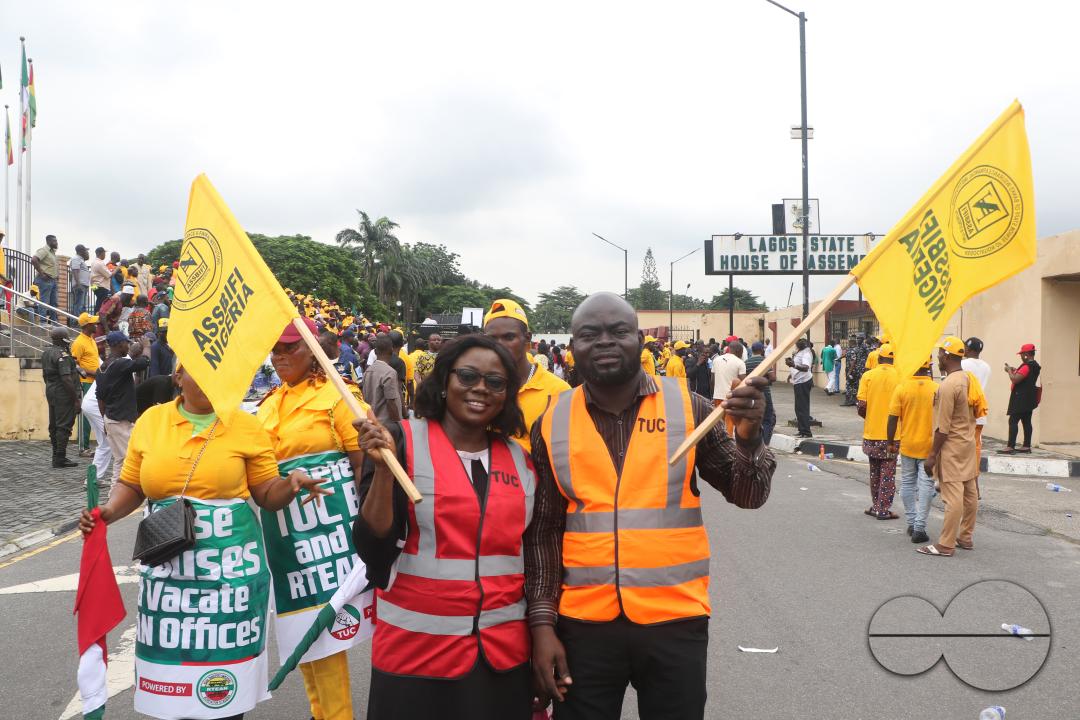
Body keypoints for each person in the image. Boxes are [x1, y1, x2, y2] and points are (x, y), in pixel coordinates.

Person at [526, 292, 775, 720]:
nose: (605, 341)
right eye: (589, 334)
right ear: (572, 347)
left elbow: (748, 495)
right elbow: (544, 532)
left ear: (640, 341)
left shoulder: (690, 408)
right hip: (582, 626)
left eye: (618, 331)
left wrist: (750, 438)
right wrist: (542, 625)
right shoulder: (551, 421)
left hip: (675, 621)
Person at [78, 365, 327, 719]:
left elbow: (268, 494)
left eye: (221, 373)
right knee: (170, 688)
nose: (213, 381)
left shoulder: (246, 426)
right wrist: (109, 512)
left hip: (231, 586)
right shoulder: (152, 422)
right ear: (179, 376)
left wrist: (290, 484)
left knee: (223, 694)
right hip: (167, 586)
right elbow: (132, 484)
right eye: (202, 371)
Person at [352, 334, 536, 720]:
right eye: (467, 376)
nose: (480, 388)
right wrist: (384, 472)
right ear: (444, 381)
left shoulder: (521, 460)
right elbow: (372, 547)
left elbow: (531, 556)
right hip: (415, 657)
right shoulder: (399, 441)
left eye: (495, 382)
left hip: (502, 658)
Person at [259, 317, 370, 720]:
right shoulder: (270, 402)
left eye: (291, 347)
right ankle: (321, 713)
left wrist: (368, 529)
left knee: (327, 633)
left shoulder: (338, 396)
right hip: (286, 538)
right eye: (276, 349)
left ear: (314, 351)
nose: (281, 356)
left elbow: (365, 464)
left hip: (332, 537)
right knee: (301, 630)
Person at [918, 337, 981, 556]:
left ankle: (946, 544)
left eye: (940, 354)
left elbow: (942, 427)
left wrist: (932, 455)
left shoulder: (948, 385)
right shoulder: (968, 378)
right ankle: (965, 537)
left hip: (952, 447)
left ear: (946, 356)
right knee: (970, 493)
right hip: (967, 443)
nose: (938, 357)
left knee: (953, 497)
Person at [483, 298, 570, 453]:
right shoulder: (478, 386)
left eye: (509, 337)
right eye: (492, 339)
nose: (500, 345)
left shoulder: (559, 392)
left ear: (527, 338)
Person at [887, 357, 938, 544]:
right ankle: (919, 527)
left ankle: (911, 522)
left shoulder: (902, 388)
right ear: (928, 367)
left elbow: (892, 418)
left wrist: (890, 443)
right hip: (930, 448)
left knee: (908, 483)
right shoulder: (937, 389)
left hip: (908, 445)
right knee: (926, 485)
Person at [95, 331, 151, 489]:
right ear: (119, 345)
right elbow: (144, 362)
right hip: (120, 420)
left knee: (121, 461)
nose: (128, 345)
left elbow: (100, 398)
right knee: (129, 460)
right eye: (126, 343)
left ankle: (114, 494)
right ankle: (122, 494)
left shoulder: (103, 368)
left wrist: (105, 421)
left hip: (112, 418)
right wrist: (147, 346)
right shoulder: (118, 365)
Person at [857, 343, 901, 520]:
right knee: (888, 473)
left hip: (871, 434)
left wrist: (871, 417)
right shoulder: (900, 376)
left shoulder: (868, 376)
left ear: (879, 358)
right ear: (893, 359)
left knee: (874, 472)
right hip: (892, 435)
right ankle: (883, 509)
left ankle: (876, 506)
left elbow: (861, 406)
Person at [41, 326, 81, 468]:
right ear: (62, 340)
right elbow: (66, 379)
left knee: (54, 425)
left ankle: (55, 456)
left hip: (51, 391)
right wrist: (76, 400)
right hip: (63, 393)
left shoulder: (46, 353)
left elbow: (45, 376)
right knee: (64, 425)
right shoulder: (62, 356)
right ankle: (60, 457)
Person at [71, 313, 103, 456]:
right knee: (85, 416)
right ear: (87, 326)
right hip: (85, 382)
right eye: (93, 323)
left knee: (94, 413)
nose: (96, 325)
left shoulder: (91, 340)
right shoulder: (79, 342)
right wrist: (92, 373)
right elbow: (74, 365)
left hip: (95, 382)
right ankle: (83, 448)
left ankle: (93, 445)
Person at [961, 337, 991, 491]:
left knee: (961, 449)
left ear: (969, 349)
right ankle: (975, 484)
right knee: (976, 449)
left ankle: (963, 484)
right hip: (979, 414)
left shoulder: (963, 364)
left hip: (965, 413)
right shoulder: (986, 366)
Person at [1002, 343, 1041, 454]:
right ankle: (1026, 446)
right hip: (1029, 398)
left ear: (1026, 355)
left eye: (1022, 354)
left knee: (1013, 420)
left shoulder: (1026, 366)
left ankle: (1010, 446)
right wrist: (1016, 370)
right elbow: (1026, 377)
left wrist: (1009, 370)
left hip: (1020, 398)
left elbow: (1015, 379)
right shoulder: (1035, 366)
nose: (1021, 356)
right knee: (1026, 421)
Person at [363, 334, 403, 424]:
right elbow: (391, 402)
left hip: (371, 422)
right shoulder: (390, 373)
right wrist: (398, 423)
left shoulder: (367, 371)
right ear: (391, 350)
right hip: (386, 424)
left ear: (375, 351)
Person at [744, 341, 777, 444]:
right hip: (764, 394)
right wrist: (765, 381)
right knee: (767, 419)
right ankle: (764, 444)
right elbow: (773, 377)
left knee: (755, 419)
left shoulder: (746, 362)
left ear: (752, 350)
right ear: (762, 350)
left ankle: (755, 443)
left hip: (751, 394)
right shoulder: (764, 361)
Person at [714, 341, 747, 437]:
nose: (742, 354)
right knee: (729, 423)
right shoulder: (740, 362)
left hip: (717, 396)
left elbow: (712, 380)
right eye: (741, 352)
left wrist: (714, 393)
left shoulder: (717, 360)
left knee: (718, 423)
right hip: (731, 398)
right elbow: (743, 382)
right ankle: (728, 442)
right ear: (738, 351)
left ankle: (718, 440)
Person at [786, 338, 814, 438]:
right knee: (798, 408)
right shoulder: (799, 352)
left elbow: (806, 368)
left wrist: (793, 365)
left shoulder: (806, 353)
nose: (798, 343)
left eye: (800, 342)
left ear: (805, 344)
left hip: (803, 382)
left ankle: (806, 432)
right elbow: (797, 365)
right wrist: (791, 373)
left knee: (802, 408)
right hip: (798, 381)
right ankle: (801, 430)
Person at [31, 234, 61, 321]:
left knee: (54, 303)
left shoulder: (52, 253)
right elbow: (34, 259)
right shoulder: (44, 250)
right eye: (54, 241)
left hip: (53, 280)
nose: (56, 242)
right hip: (45, 280)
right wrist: (42, 273)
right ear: (49, 241)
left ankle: (54, 322)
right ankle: (43, 322)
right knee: (44, 302)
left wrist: (56, 277)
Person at [842, 334, 868, 407]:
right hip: (855, 369)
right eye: (857, 338)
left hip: (854, 369)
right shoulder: (854, 349)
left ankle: (849, 400)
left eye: (850, 341)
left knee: (850, 385)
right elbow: (847, 356)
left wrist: (850, 371)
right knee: (855, 385)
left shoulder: (859, 348)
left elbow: (853, 361)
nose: (858, 340)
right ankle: (853, 400)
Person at [68, 244, 91, 322]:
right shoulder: (76, 259)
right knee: (79, 305)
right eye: (85, 250)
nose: (87, 252)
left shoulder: (80, 260)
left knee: (82, 306)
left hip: (83, 285)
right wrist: (78, 284)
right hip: (80, 285)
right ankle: (75, 322)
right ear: (81, 251)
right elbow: (75, 271)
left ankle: (81, 322)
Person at [89, 247, 112, 313]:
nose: (105, 255)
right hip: (101, 286)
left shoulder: (94, 262)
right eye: (104, 253)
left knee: (99, 300)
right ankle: (97, 315)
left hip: (93, 285)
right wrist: (118, 268)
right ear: (100, 253)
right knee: (101, 302)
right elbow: (109, 275)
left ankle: (96, 314)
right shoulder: (100, 263)